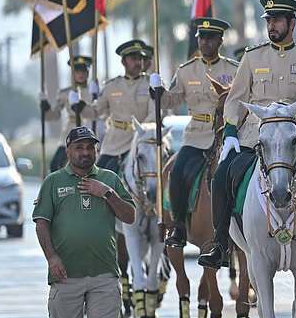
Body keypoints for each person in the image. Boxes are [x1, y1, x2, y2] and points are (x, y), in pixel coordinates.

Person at [197, 0, 296, 271]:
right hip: (256, 135)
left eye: (277, 20)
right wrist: (231, 131)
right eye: (269, 20)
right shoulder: (252, 57)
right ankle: (220, 244)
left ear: (291, 23)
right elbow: (235, 98)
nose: (272, 26)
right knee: (221, 177)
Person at [33, 127, 136, 318]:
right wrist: (51, 257)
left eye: (90, 147)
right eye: (79, 147)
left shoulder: (109, 179)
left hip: (104, 275)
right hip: (66, 276)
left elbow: (130, 215)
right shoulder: (54, 182)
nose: (85, 153)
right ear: (68, 150)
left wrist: (107, 194)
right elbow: (41, 223)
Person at [150, 18, 239, 249]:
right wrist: (158, 92)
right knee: (177, 173)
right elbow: (172, 100)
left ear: (220, 40)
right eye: (202, 38)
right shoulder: (186, 71)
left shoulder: (234, 70)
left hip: (226, 135)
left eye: (211, 38)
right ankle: (179, 226)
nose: (205, 42)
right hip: (197, 137)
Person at [91, 40, 154, 173]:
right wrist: (78, 104)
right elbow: (95, 112)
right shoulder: (111, 86)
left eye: (140, 59)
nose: (138, 62)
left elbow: (154, 114)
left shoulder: (150, 85)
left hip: (140, 140)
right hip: (114, 142)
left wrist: (142, 131)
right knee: (96, 175)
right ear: (124, 62)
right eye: (134, 59)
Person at [42, 56, 96, 172]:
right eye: (77, 71)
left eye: (83, 71)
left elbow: (99, 112)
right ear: (73, 73)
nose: (80, 74)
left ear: (88, 72)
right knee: (55, 164)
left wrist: (96, 95)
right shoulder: (65, 93)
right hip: (70, 131)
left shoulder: (94, 91)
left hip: (91, 129)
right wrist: (45, 107)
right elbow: (54, 116)